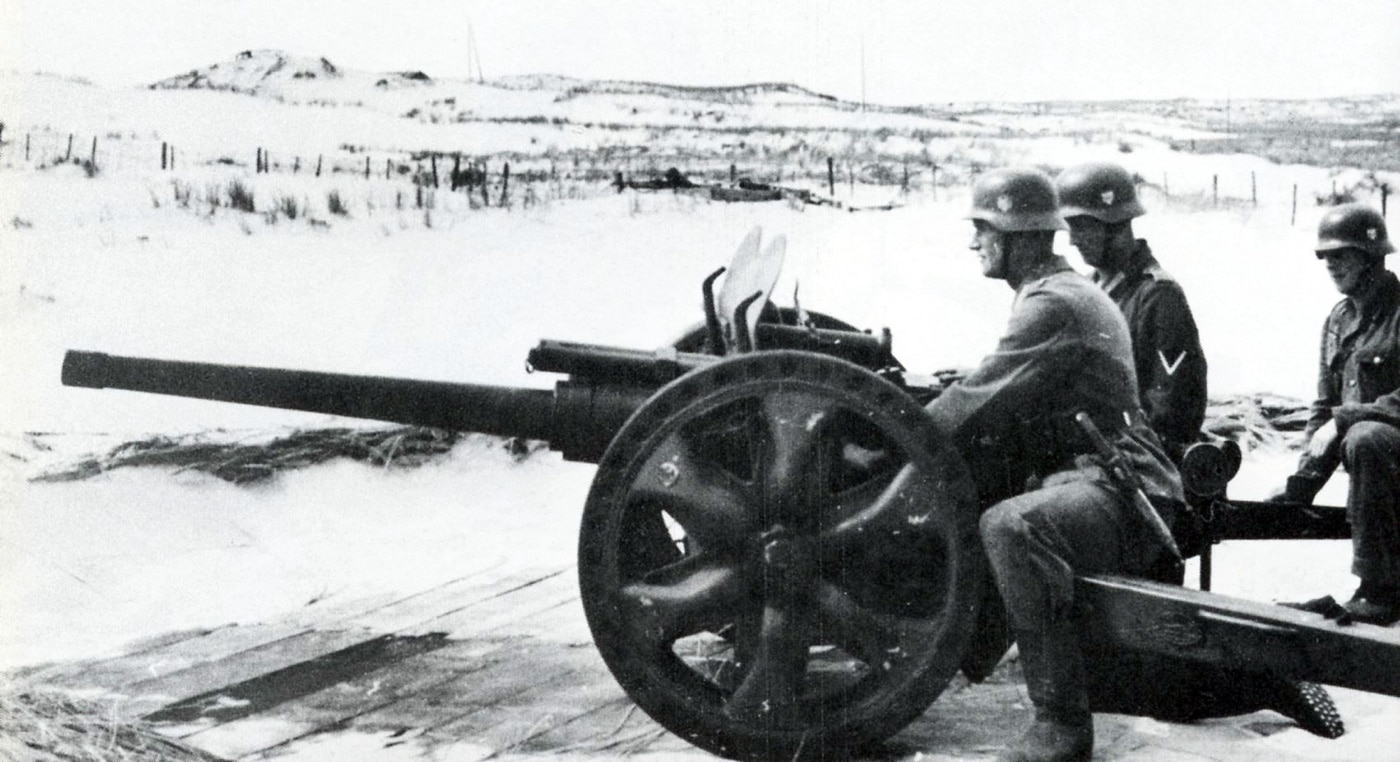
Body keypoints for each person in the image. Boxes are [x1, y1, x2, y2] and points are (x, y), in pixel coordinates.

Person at [926, 167, 1186, 761]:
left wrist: (883, 440)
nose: (975, 244)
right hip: (1091, 475)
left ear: (1016, 235)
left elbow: (971, 405)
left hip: (1122, 485)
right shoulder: (1054, 293)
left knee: (1012, 526)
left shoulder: (1055, 304)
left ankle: (1061, 727)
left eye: (982, 229)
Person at [1272, 202, 1400, 627]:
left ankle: (1381, 591)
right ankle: (1371, 587)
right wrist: (1301, 482)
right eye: (1325, 257)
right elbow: (1323, 407)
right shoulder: (1338, 319)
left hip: (1386, 454)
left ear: (1371, 256)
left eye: (1340, 255)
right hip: (1377, 472)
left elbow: (1340, 420)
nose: (1330, 265)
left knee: (1366, 436)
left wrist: (1344, 421)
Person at [1055, 162, 1207, 460]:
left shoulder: (1158, 296)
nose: (1072, 240)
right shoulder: (1091, 288)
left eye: (1080, 226)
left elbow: (1172, 411)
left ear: (1114, 224)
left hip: (1137, 465)